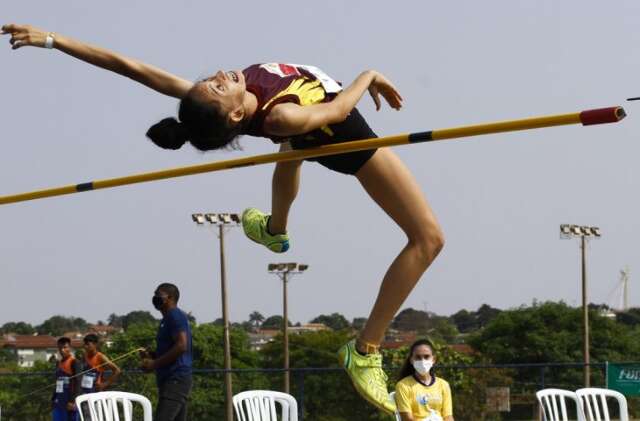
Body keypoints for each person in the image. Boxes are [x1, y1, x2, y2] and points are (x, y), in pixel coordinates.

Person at [1, 24, 445, 414]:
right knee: (427, 239)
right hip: (346, 138)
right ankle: (364, 349)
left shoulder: (231, 102)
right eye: (216, 88)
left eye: (210, 81)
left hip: (303, 133)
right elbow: (337, 111)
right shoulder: (281, 116)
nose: (217, 77)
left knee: (290, 155)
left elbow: (129, 67)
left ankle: (274, 229)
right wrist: (368, 74)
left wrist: (53, 41)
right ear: (235, 114)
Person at [140, 283, 193, 421]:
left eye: (159, 295)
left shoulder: (175, 315)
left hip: (176, 379)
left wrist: (154, 364)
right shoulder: (167, 319)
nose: (155, 298)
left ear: (170, 298)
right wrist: (151, 355)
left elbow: (182, 345)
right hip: (172, 380)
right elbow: (171, 349)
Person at [395, 339, 454, 421]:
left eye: (426, 356)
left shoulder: (444, 385)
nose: (422, 361)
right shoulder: (403, 385)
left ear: (433, 359)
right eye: (418, 357)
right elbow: (407, 418)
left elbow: (448, 417)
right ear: (411, 360)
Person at [52, 337, 81, 421]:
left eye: (65, 347)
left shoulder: (74, 362)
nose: (62, 350)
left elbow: (78, 382)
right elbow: (57, 382)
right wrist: (54, 397)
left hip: (69, 401)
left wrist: (72, 401)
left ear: (70, 348)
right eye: (60, 348)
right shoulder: (58, 363)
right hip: (59, 400)